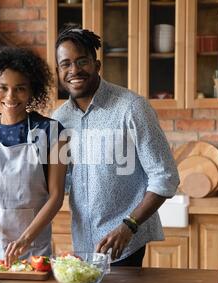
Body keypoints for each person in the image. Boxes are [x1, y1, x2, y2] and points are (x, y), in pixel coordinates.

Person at [51, 27, 180, 267]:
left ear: (97, 65)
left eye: (82, 62)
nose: (74, 70)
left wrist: (128, 226)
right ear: (58, 71)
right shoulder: (59, 120)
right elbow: (62, 182)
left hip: (125, 242)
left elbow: (166, 177)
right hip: (83, 246)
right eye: (65, 64)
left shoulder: (131, 108)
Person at [0, 47, 67, 265]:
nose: (10, 96)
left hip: (32, 244)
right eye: (3, 88)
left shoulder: (54, 132)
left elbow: (56, 196)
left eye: (20, 88)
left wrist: (25, 239)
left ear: (32, 91)